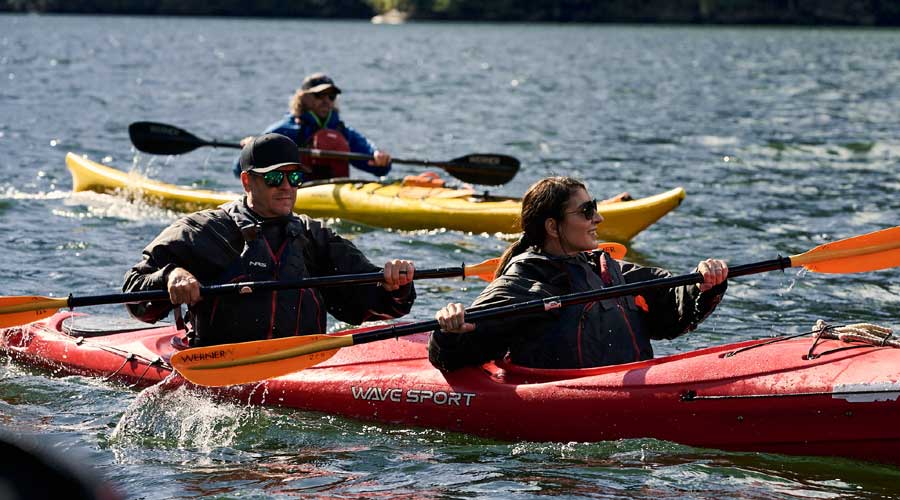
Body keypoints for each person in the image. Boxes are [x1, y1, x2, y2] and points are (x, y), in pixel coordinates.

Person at [126, 133, 415, 347]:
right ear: (247, 181)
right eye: (275, 178)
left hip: (303, 367)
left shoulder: (315, 237)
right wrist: (170, 277)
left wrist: (394, 287)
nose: (287, 187)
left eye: (295, 178)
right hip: (218, 365)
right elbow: (134, 291)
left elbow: (376, 305)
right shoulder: (205, 230)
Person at [430, 176, 728, 371]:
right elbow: (456, 355)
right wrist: (449, 332)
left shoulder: (607, 269)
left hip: (629, 389)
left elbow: (668, 304)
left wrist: (702, 284)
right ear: (552, 226)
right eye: (586, 211)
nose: (598, 217)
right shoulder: (522, 283)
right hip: (559, 399)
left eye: (595, 208)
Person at [232, 73, 391, 180]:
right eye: (319, 95)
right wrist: (249, 151)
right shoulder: (285, 130)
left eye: (331, 96)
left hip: (335, 192)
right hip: (298, 192)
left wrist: (380, 159)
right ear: (303, 97)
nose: (326, 100)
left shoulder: (343, 132)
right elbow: (238, 169)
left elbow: (379, 169)